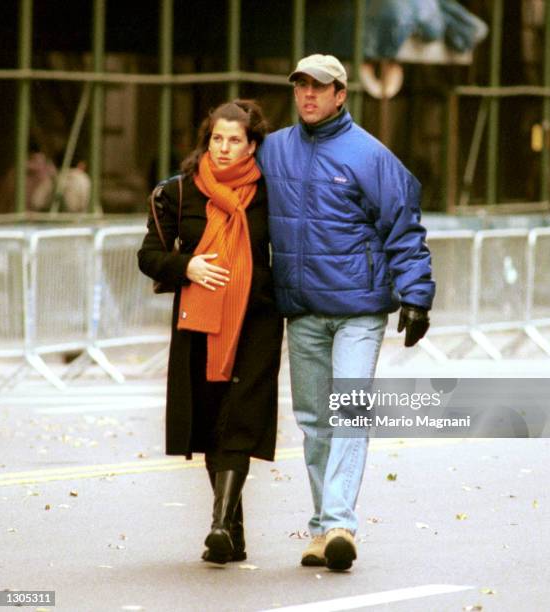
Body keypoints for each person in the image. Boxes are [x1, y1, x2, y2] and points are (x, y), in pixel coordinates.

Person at [257, 54, 435, 571]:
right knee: (315, 423)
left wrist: (416, 296)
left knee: (349, 413)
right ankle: (322, 530)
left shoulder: (371, 156)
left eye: (320, 87)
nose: (308, 96)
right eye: (301, 87)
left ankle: (339, 523)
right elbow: (224, 178)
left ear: (341, 94)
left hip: (358, 311)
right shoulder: (274, 151)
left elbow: (404, 228)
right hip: (304, 311)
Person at [138, 100, 283, 564]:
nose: (224, 149)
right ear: (207, 140)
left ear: (252, 146)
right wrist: (189, 266)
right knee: (211, 420)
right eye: (217, 139)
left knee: (238, 420)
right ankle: (233, 532)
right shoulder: (181, 193)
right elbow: (148, 256)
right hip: (199, 322)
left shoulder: (271, 194)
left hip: (256, 319)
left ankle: (219, 525)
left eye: (235, 140)